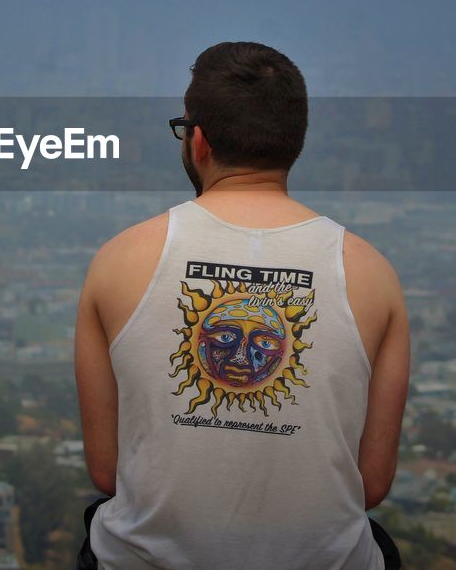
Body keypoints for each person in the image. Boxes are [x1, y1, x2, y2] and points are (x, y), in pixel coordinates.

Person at [74, 41, 409, 569]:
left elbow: (107, 469)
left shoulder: (118, 260)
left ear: (198, 141)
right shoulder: (372, 273)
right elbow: (370, 484)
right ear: (293, 141)